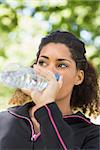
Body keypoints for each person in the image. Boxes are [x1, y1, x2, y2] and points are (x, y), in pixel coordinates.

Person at [0, 30, 100, 150]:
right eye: (42, 63)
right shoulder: (4, 121)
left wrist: (46, 106)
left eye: (61, 65)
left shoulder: (92, 135)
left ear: (78, 77)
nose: (49, 72)